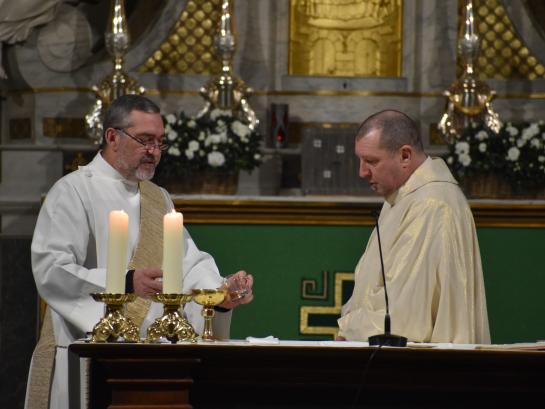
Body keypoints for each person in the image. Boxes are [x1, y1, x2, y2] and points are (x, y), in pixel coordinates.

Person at [25, 94, 254, 409]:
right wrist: (127, 281)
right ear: (112, 137)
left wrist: (218, 294)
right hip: (87, 354)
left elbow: (187, 264)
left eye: (160, 142)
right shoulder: (74, 190)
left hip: (150, 362)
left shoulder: (158, 197)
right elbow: (52, 270)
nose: (154, 152)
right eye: (145, 140)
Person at [337, 110, 490, 344]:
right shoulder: (404, 196)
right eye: (360, 160)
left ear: (405, 156)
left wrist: (349, 331)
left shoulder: (430, 205)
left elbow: (403, 319)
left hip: (418, 372)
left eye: (371, 161)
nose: (362, 172)